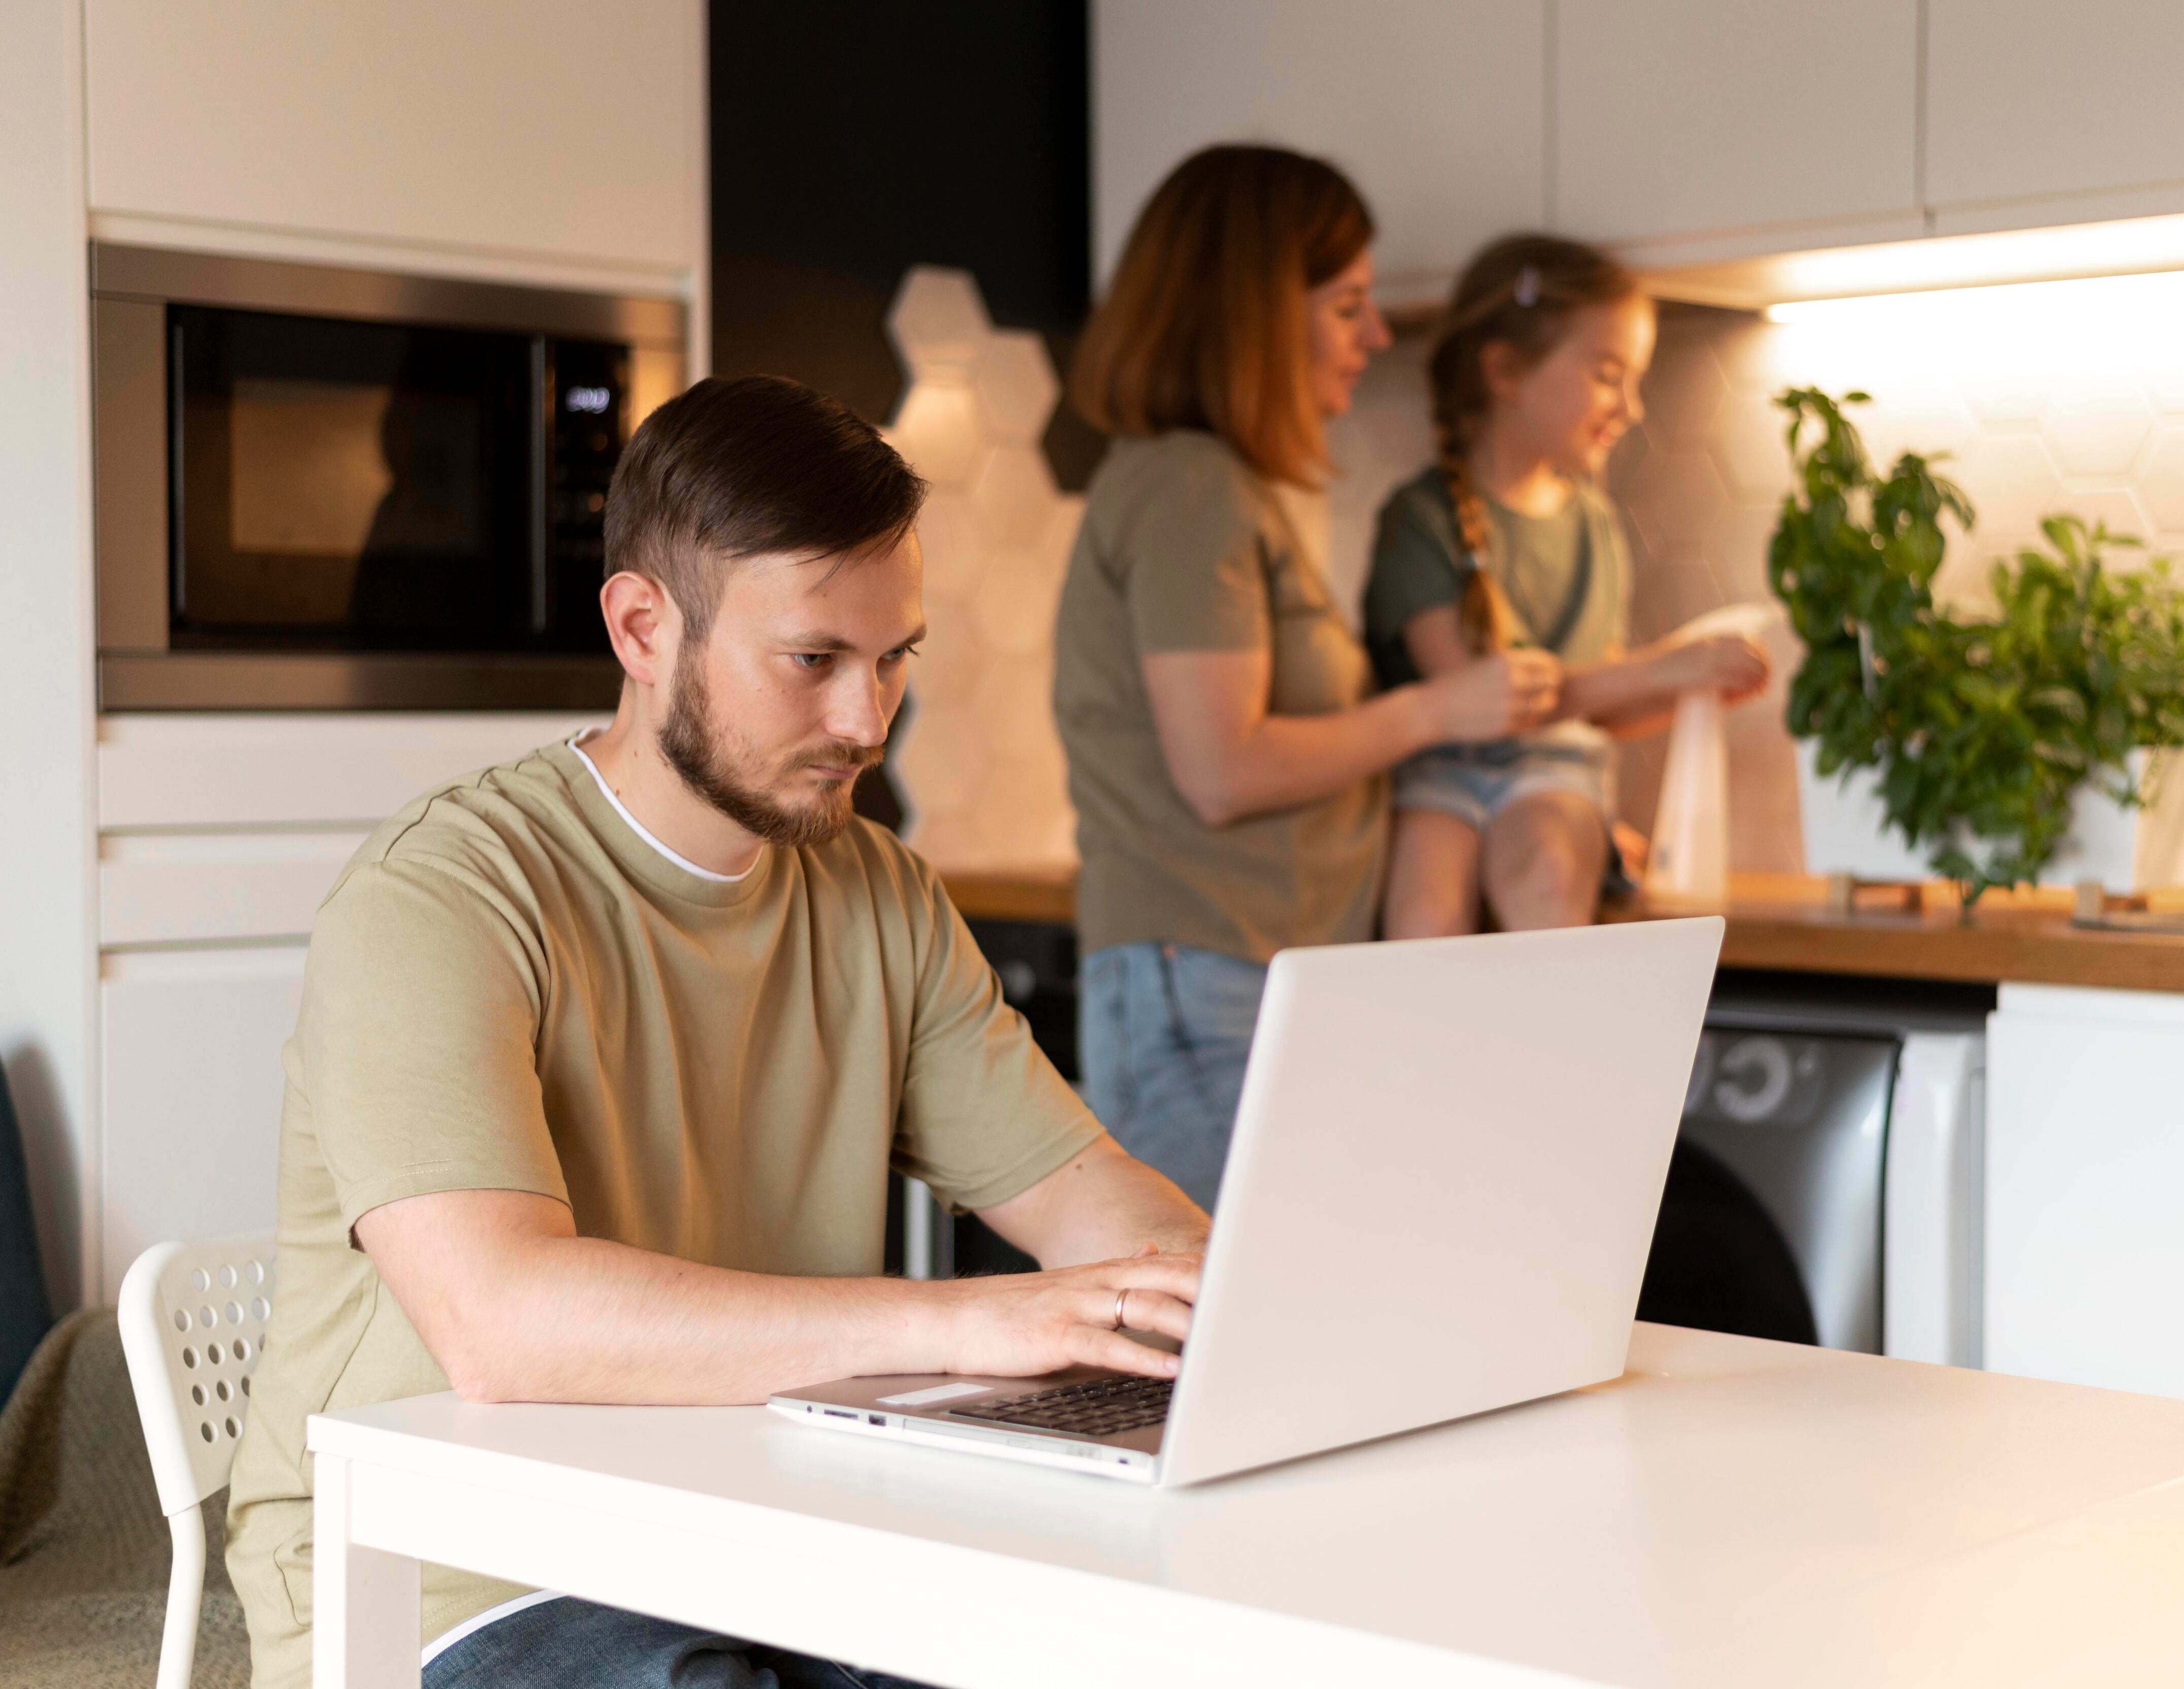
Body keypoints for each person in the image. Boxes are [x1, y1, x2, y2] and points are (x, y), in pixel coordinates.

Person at [225, 375, 1212, 1689]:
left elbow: (1100, 1211)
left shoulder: (881, 894)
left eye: (897, 658)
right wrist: (973, 1325)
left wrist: (1225, 1300)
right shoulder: (441, 894)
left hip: (756, 1531)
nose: (868, 721)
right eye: (814, 661)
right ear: (642, 628)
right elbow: (502, 1323)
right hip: (452, 1570)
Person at [1055, 146, 1563, 1214]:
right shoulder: (1191, 486)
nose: (1374, 337)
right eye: (1347, 307)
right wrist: (1437, 708)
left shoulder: (1217, 487)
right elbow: (1222, 768)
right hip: (1205, 984)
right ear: (1250, 317)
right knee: (1220, 1347)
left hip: (1236, 980)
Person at [1361, 235, 1771, 938]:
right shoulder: (1420, 521)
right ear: (1505, 372)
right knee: (1424, 918)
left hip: (1555, 773)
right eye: (1609, 374)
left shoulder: (1594, 525)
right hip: (1436, 773)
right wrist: (1663, 666)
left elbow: (1597, 705)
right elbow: (1481, 702)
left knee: (1550, 878)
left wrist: (1683, 689)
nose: (1631, 407)